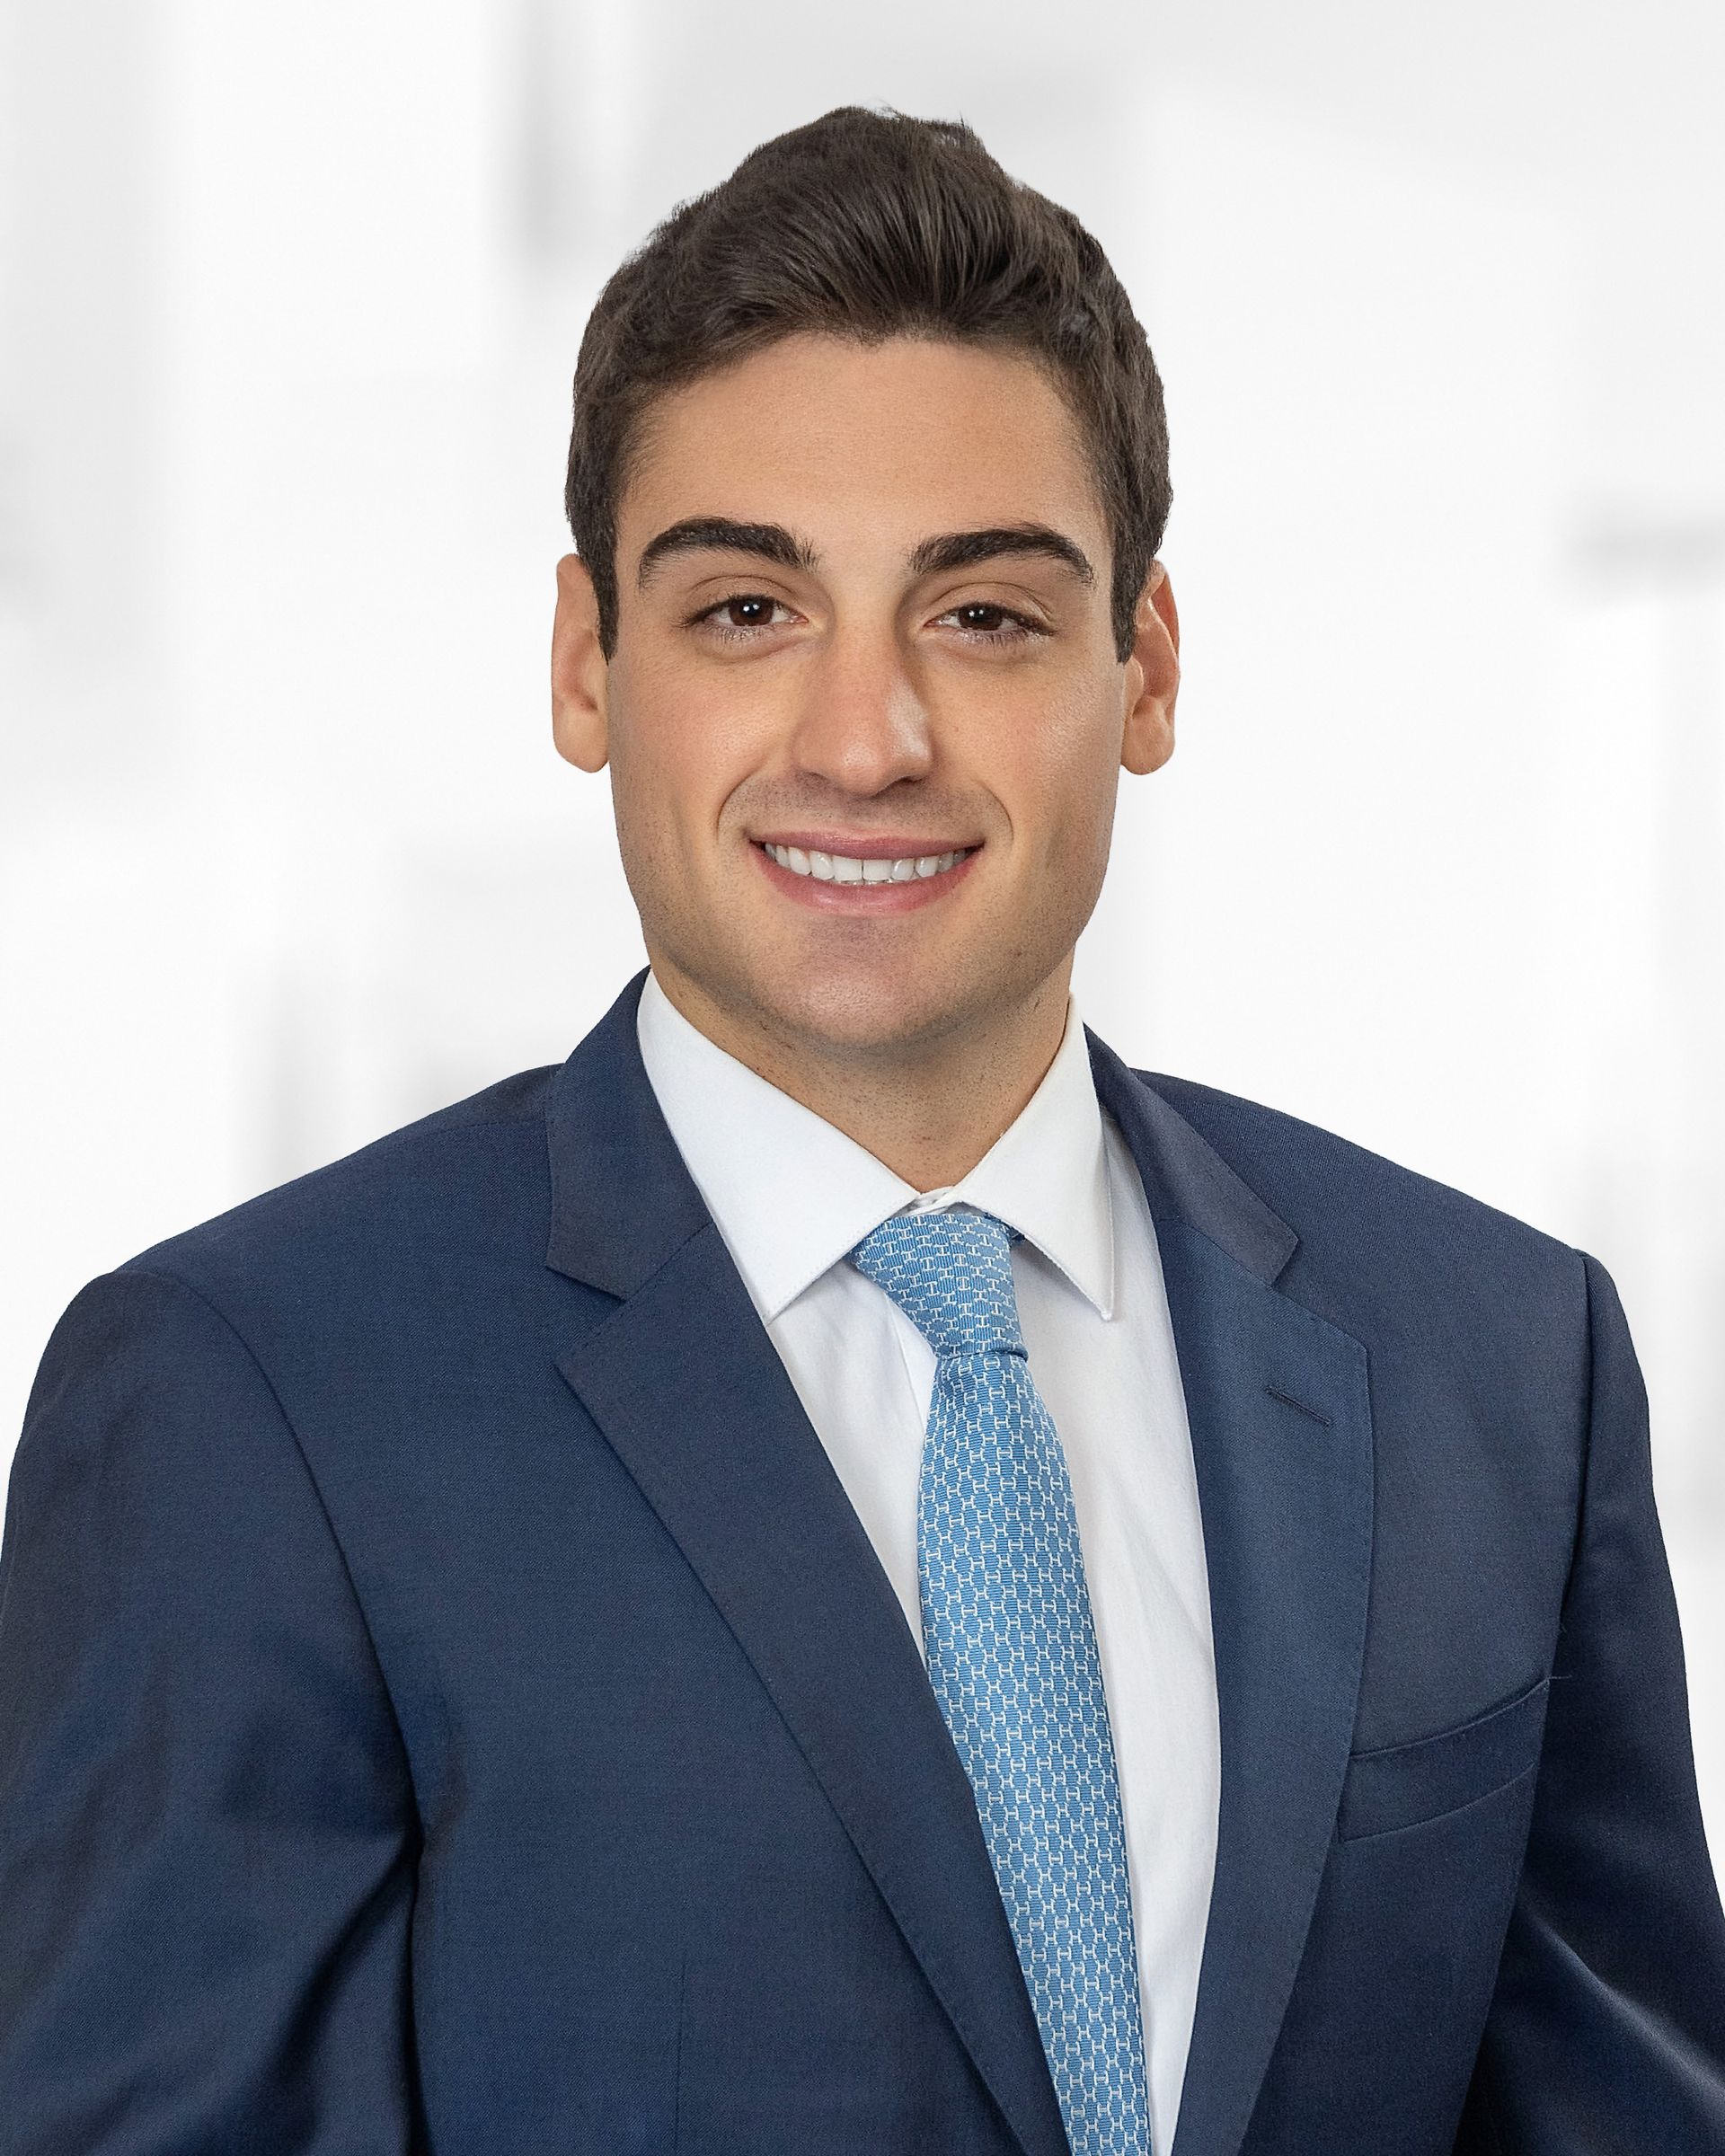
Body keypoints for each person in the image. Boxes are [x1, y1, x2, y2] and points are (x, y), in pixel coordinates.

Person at [2, 103, 1721, 2156]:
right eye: (748, 609)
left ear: (1143, 667)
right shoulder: (248, 1401)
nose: (865, 737)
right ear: (588, 664)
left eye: (982, 614)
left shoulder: (1500, 1370)